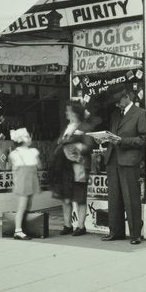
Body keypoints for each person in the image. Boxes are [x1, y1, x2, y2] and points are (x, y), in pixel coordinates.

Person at [100, 87, 146, 245]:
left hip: (129, 161)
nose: (117, 105)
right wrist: (103, 140)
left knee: (131, 198)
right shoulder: (116, 115)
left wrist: (122, 141)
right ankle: (115, 231)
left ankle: (135, 234)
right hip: (113, 160)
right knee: (114, 199)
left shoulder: (141, 114)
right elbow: (113, 136)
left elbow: (143, 139)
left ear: (127, 97)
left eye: (118, 101)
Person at [49, 101, 94, 236]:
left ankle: (81, 226)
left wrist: (76, 148)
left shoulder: (85, 127)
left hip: (78, 166)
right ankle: (67, 225)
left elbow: (89, 145)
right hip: (65, 167)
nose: (66, 113)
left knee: (80, 197)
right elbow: (59, 142)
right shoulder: (67, 127)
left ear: (75, 113)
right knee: (65, 197)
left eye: (68, 111)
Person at [9, 127, 41, 240]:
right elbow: (39, 166)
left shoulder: (15, 153)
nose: (30, 138)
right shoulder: (32, 152)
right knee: (23, 206)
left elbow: (14, 169)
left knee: (26, 205)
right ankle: (18, 230)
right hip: (25, 181)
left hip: (25, 180)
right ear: (25, 139)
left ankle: (23, 227)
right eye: (28, 136)